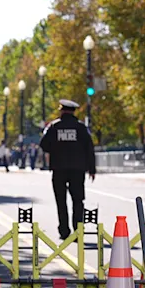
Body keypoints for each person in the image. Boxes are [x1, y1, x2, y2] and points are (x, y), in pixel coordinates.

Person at [40, 99, 96, 240]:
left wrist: (56, 148)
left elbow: (44, 145)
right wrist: (92, 168)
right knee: (78, 200)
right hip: (77, 169)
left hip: (58, 168)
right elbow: (89, 148)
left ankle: (64, 230)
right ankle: (78, 230)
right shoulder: (81, 128)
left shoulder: (54, 127)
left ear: (62, 110)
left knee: (61, 200)